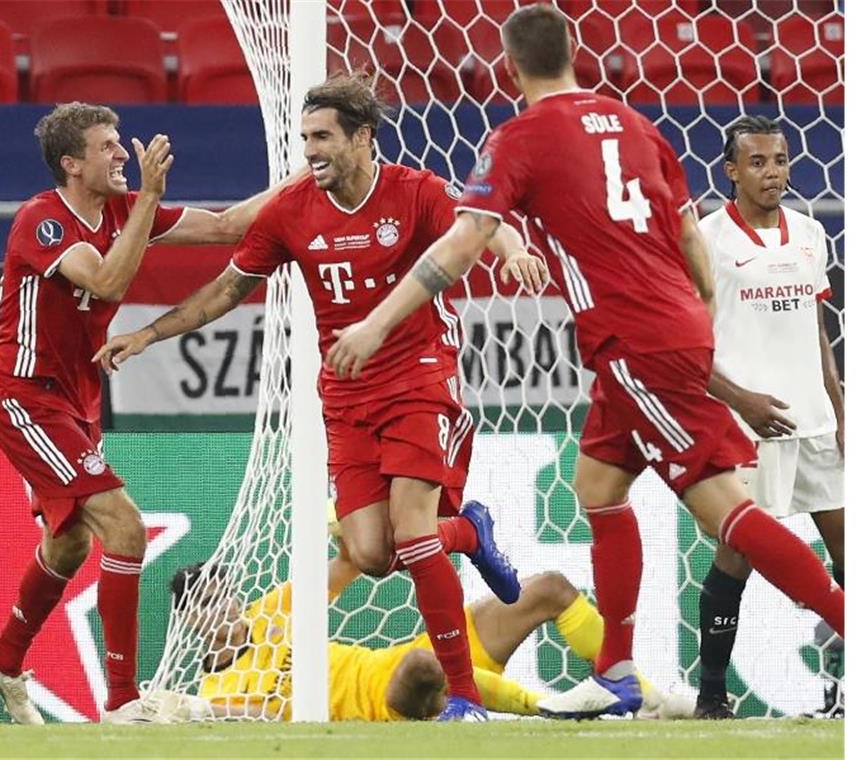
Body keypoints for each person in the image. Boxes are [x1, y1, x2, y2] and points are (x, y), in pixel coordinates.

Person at [325, 4, 844, 720]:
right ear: (575, 54)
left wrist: (377, 324)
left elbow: (464, 240)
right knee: (597, 483)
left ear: (511, 69)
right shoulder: (637, 124)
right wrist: (693, 309)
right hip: (659, 330)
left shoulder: (521, 136)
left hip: (635, 339)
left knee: (725, 508)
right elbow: (692, 235)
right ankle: (619, 669)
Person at [92, 72, 549, 721]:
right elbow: (226, 289)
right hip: (344, 390)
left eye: (323, 136)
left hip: (419, 374)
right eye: (305, 137)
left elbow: (479, 224)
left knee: (412, 534)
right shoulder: (291, 209)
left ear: (363, 138)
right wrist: (149, 333)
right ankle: (467, 532)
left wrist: (515, 248)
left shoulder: (413, 192)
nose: (311, 150)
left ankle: (465, 700)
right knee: (370, 553)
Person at [0, 102, 300, 725]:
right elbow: (109, 281)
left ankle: (5, 659)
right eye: (107, 146)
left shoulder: (122, 209)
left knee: (67, 546)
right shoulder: (43, 220)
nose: (123, 153)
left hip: (76, 402)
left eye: (121, 142)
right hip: (25, 396)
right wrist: (148, 197)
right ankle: (123, 702)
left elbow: (229, 224)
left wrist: (306, 172)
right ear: (72, 164)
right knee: (125, 529)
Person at [149, 533, 691, 722]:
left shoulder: (272, 613)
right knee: (425, 664)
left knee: (547, 587)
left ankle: (646, 697)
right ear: (190, 622)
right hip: (387, 700)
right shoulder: (214, 693)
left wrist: (345, 528)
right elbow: (258, 715)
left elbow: (349, 566)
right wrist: (200, 710)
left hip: (411, 655)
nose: (227, 608)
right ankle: (547, 708)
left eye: (229, 594)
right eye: (209, 603)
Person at [692, 115, 845, 719]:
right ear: (731, 172)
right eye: (757, 162)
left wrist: (840, 405)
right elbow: (685, 345)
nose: (772, 172)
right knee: (738, 557)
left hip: (814, 422)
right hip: (749, 429)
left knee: (851, 551)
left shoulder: (810, 233)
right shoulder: (705, 239)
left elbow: (817, 327)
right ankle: (711, 697)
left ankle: (854, 688)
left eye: (779, 160)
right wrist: (740, 400)